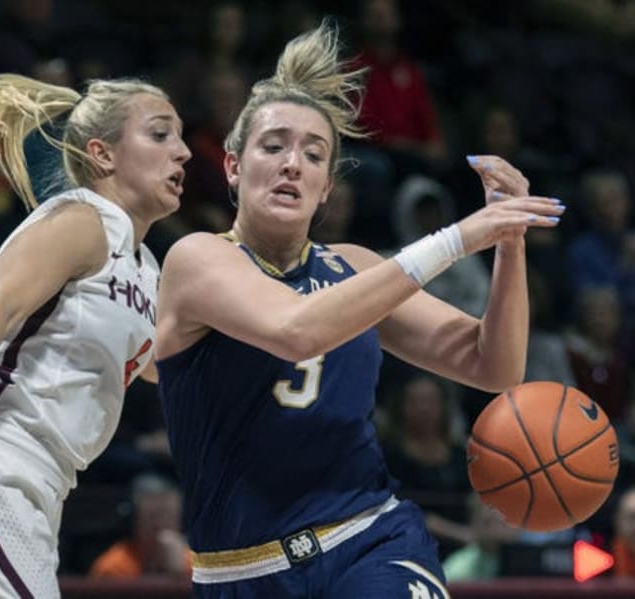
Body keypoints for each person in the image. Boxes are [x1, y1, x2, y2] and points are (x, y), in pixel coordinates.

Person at [155, 20, 564, 598]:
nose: (292, 163)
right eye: (273, 147)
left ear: (326, 187)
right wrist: (455, 239)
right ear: (234, 166)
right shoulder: (197, 260)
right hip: (240, 573)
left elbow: (493, 366)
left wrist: (510, 244)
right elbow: (295, 329)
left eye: (313, 155)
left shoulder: (356, 267)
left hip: (370, 542)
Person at [0, 72, 191, 597]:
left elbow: (162, 367)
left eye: (182, 136)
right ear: (103, 155)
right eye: (161, 134)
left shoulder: (146, 268)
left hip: (35, 494)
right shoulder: (83, 220)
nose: (184, 152)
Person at [89, 473, 191, 578]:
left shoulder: (194, 564)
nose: (160, 524)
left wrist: (182, 571)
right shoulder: (114, 566)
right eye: (153, 517)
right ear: (134, 521)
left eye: (169, 516)